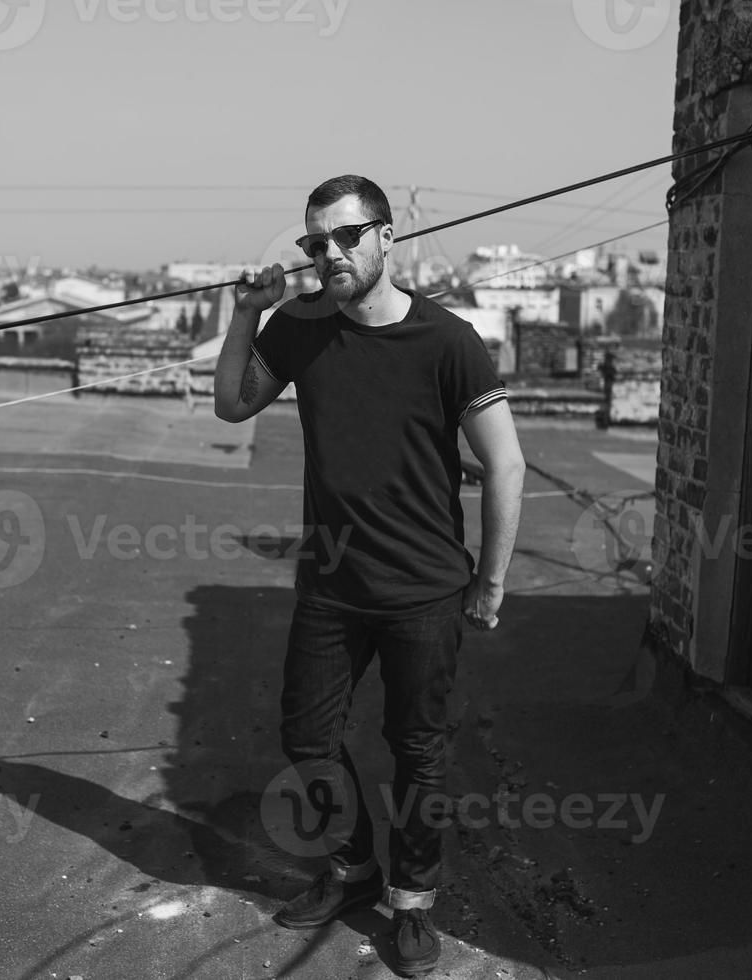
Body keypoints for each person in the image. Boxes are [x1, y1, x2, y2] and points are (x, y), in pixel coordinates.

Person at [214, 174, 525, 976]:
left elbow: (505, 464)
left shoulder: (447, 340)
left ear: (387, 236)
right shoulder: (299, 325)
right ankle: (354, 871)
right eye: (317, 242)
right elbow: (232, 405)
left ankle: (414, 902)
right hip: (332, 583)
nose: (332, 254)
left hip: (426, 588)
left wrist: (488, 584)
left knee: (416, 747)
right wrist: (247, 313)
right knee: (308, 736)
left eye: (349, 237)